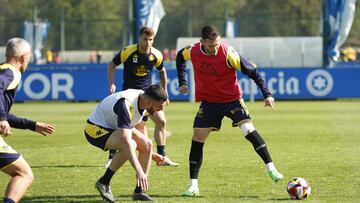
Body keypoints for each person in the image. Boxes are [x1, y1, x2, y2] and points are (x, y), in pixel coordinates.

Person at [176, 26, 283, 197]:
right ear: (202, 42)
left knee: (247, 129)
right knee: (197, 138)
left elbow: (253, 73)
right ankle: (193, 186)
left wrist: (267, 94)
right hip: (209, 103)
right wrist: (183, 81)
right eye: (211, 46)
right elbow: (180, 56)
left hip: (232, 100)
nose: (215, 48)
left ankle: (271, 168)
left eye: (217, 44)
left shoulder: (228, 53)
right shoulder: (193, 50)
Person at [107, 26, 178, 167]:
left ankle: (162, 156)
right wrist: (112, 83)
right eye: (145, 39)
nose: (147, 42)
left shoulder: (156, 55)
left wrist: (165, 93)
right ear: (139, 38)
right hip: (130, 98)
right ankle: (112, 157)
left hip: (149, 96)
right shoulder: (128, 51)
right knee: (132, 127)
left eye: (150, 39)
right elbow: (112, 65)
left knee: (161, 121)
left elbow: (162, 71)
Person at [84, 84, 168, 202]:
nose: (160, 110)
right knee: (130, 145)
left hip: (113, 126)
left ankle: (139, 192)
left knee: (147, 144)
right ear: (149, 102)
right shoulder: (126, 104)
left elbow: (140, 132)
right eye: (159, 106)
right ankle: (104, 182)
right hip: (95, 128)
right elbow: (126, 142)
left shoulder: (145, 101)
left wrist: (151, 154)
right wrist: (138, 170)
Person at [0, 38, 55, 203]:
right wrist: (2, 119)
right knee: (24, 174)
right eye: (29, 56)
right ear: (23, 57)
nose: (29, 60)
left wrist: (31, 125)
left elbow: (4, 112)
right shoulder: (11, 72)